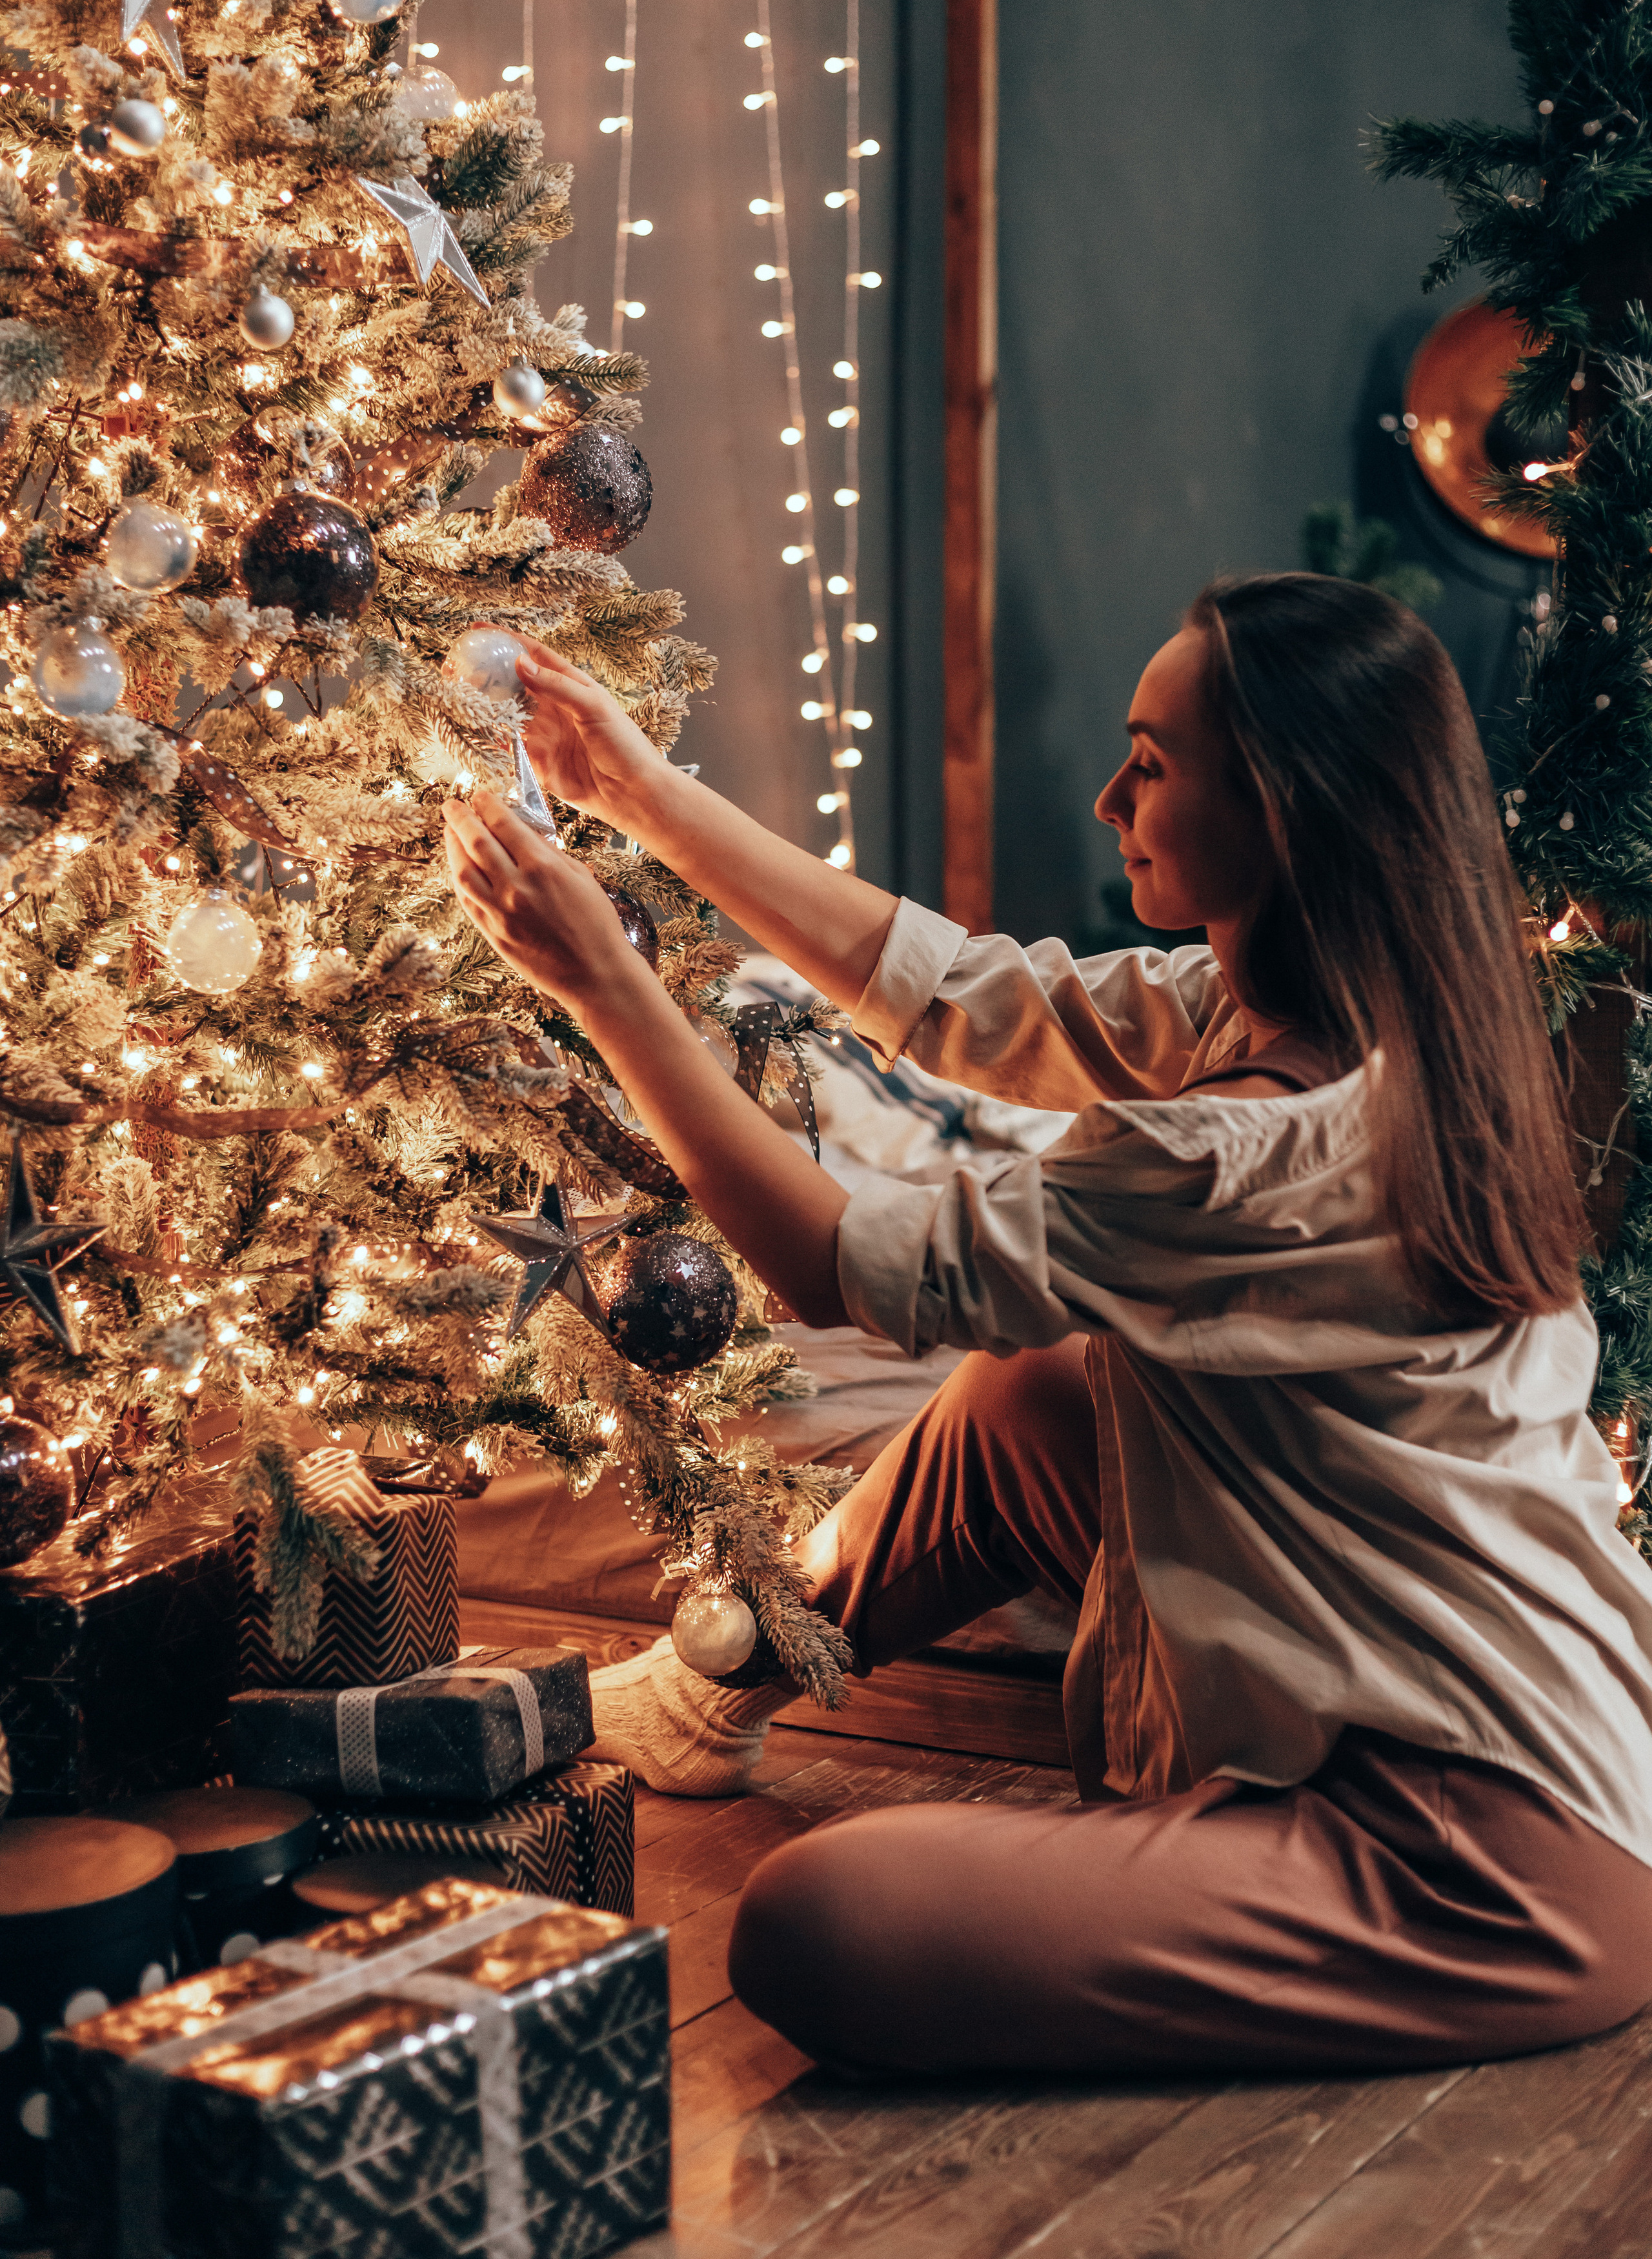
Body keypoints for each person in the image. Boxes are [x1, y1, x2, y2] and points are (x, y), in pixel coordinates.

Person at [442, 572, 1652, 2080]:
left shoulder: (1244, 1152)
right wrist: (637, 791)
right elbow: (959, 998)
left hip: (1473, 1861)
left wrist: (605, 984)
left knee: (818, 1922)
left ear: (1278, 812)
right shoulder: (1324, 1009)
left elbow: (836, 1265)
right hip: (1512, 1725)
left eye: (1149, 764)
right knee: (1039, 1392)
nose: (1106, 800)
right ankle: (709, 1687)